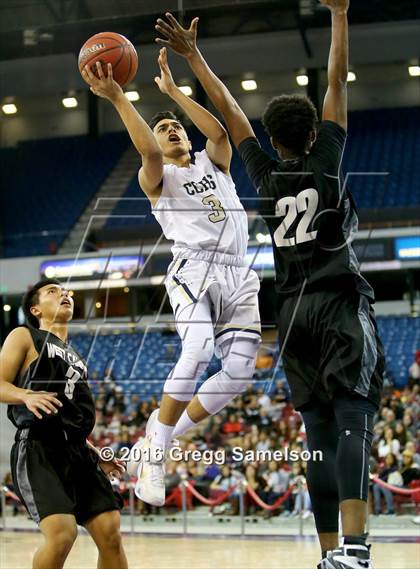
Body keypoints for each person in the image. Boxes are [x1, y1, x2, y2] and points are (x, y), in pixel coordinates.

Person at [155, 2, 384, 567]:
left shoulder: (261, 171)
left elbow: (232, 113)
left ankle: (329, 552)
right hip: (338, 303)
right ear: (312, 133)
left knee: (316, 433)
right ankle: (355, 549)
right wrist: (339, 14)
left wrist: (194, 57)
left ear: (274, 141)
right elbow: (334, 79)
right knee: (352, 418)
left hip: (292, 314)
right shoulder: (327, 159)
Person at [82, 47, 261, 507]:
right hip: (194, 268)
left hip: (240, 273)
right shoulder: (156, 179)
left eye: (175, 127)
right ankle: (156, 456)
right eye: (164, 129)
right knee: (198, 350)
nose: (172, 131)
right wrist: (122, 98)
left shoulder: (213, 163)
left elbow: (219, 131)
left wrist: (175, 93)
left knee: (239, 373)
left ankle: (150, 441)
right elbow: (145, 148)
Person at [0, 279, 127, 569]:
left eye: (66, 291)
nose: (64, 294)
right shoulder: (24, 336)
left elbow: (69, 415)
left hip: (78, 452)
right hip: (38, 448)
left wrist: (93, 452)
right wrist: (25, 395)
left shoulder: (76, 357)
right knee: (62, 535)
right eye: (52, 291)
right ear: (35, 309)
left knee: (110, 533)